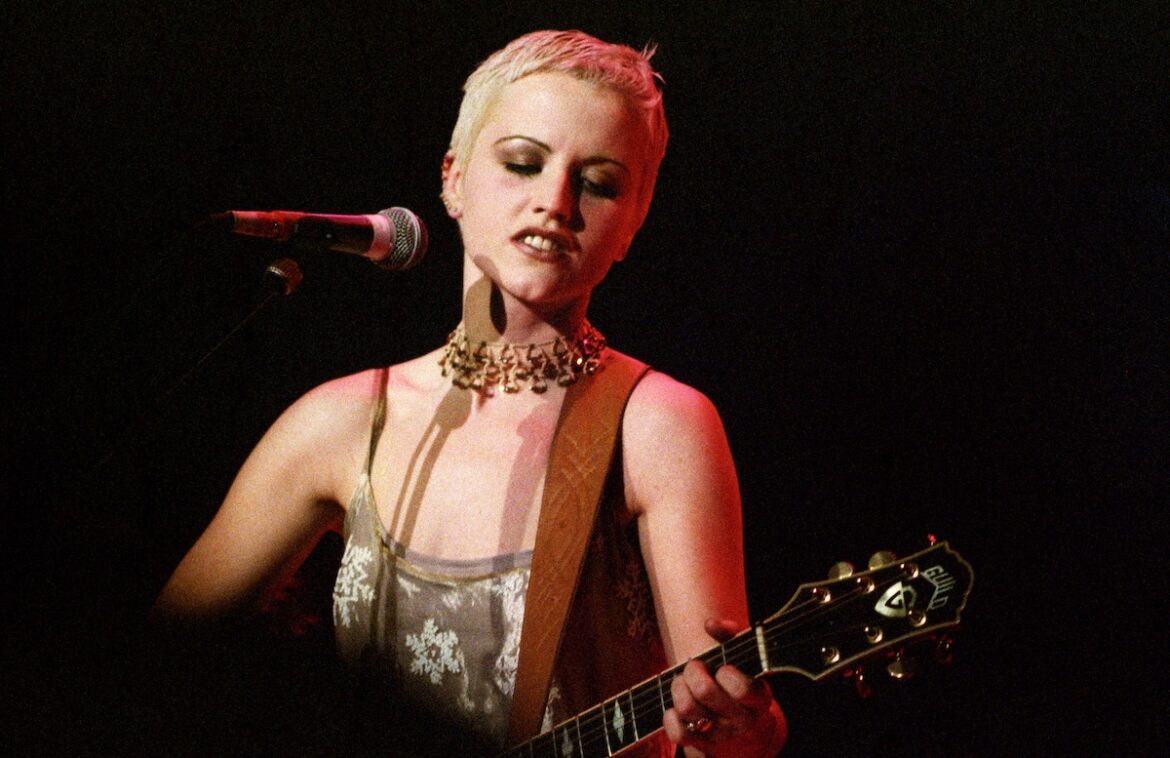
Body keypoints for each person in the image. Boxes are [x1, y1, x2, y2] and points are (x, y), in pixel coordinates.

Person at [154, 29, 787, 757]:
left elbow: (718, 719)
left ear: (635, 220)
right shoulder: (344, 420)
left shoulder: (660, 428)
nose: (555, 202)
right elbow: (150, 673)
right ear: (452, 179)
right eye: (522, 163)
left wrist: (748, 736)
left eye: (600, 183)